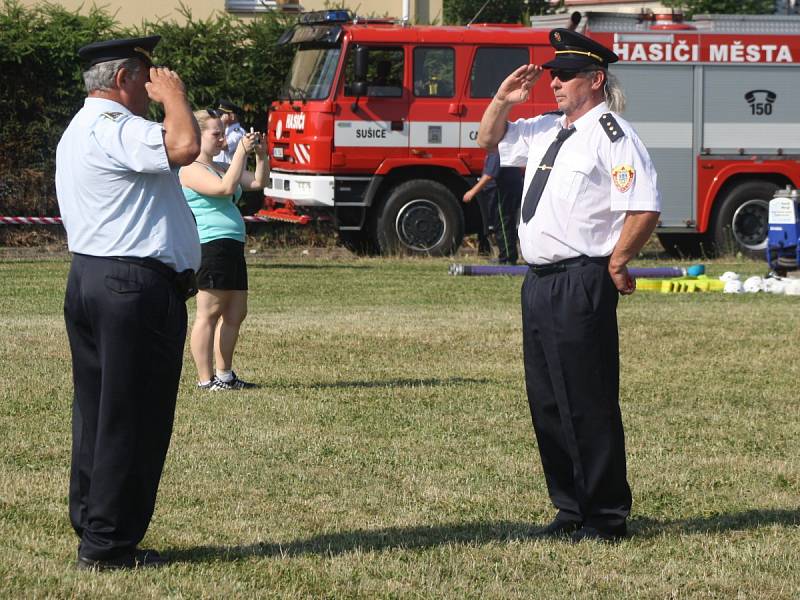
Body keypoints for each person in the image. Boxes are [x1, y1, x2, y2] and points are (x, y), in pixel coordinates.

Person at [477, 28, 661, 542]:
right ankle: (569, 509)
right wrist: (500, 99)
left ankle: (605, 517)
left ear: (595, 80)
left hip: (582, 277)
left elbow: (644, 206)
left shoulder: (612, 134)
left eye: (565, 75)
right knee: (549, 401)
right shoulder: (543, 129)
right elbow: (486, 141)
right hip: (539, 282)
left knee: (587, 397)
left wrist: (620, 260)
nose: (554, 82)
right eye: (553, 74)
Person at [55, 36, 201, 570]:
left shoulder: (78, 129)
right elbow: (184, 146)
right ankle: (109, 543)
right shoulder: (118, 129)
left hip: (91, 278)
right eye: (147, 76)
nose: (153, 83)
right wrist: (176, 97)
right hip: (132, 288)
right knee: (133, 417)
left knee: (97, 413)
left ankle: (94, 521)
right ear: (122, 80)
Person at [179, 109, 268, 391]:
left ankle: (225, 375)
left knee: (235, 312)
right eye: (215, 134)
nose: (222, 139)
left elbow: (257, 182)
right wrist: (241, 150)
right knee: (209, 312)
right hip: (211, 246)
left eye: (222, 134)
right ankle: (206, 380)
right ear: (198, 135)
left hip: (232, 246)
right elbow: (225, 187)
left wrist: (262, 155)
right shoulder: (189, 169)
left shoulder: (219, 165)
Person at [462, 150, 523, 264]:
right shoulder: (499, 150)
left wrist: (472, 192)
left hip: (502, 190)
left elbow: (489, 175)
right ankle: (506, 255)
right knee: (504, 223)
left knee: (503, 223)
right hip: (505, 188)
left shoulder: (496, 152)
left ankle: (507, 258)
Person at [213, 99, 247, 164]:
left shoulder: (239, 132)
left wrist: (222, 125)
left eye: (221, 114)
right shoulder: (226, 129)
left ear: (232, 116)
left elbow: (223, 145)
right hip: (218, 168)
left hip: (228, 171)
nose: (219, 117)